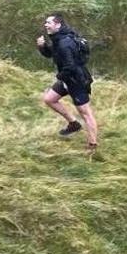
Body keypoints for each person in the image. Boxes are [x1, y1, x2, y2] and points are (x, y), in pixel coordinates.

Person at [36, 13, 98, 152]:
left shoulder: (65, 43)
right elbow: (51, 53)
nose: (46, 25)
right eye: (45, 22)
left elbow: (70, 67)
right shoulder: (59, 38)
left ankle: (92, 145)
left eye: (49, 22)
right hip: (67, 79)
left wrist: (60, 77)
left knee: (86, 113)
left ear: (58, 25)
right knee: (49, 99)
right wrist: (42, 47)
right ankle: (73, 124)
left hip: (76, 81)